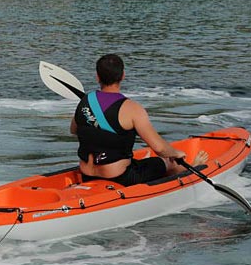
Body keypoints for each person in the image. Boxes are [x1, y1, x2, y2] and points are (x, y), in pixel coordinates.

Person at [70, 54, 209, 186]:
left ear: (97, 77)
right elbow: (160, 148)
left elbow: (74, 130)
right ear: (123, 76)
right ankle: (192, 170)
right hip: (120, 177)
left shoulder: (84, 102)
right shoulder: (132, 108)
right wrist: (176, 153)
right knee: (169, 162)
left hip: (87, 174)